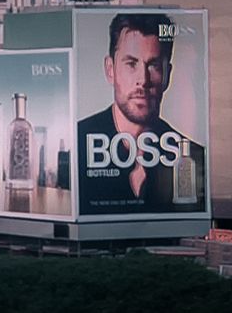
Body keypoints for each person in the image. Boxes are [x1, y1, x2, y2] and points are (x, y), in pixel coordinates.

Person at [75, 12, 201, 213]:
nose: (143, 79)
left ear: (167, 75)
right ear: (110, 70)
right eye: (131, 64)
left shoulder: (192, 156)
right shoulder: (76, 144)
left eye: (153, 65)